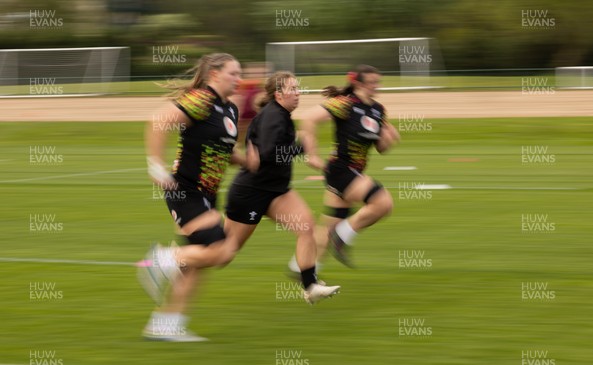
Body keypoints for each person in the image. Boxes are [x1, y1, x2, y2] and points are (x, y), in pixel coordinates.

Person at [138, 52, 245, 342]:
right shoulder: (201, 100)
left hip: (208, 194)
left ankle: (166, 324)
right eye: (233, 73)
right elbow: (159, 120)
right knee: (220, 251)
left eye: (240, 73)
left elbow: (223, 149)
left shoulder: (230, 109)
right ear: (214, 75)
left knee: (196, 264)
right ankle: (158, 259)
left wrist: (246, 161)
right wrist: (155, 165)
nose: (239, 78)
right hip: (185, 190)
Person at [224, 71, 340, 304]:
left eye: (298, 88)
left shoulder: (281, 115)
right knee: (224, 252)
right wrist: (301, 146)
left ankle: (310, 285)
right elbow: (268, 154)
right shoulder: (273, 116)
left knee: (305, 225)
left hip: (276, 191)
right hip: (251, 193)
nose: (298, 93)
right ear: (278, 94)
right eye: (293, 89)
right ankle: (172, 260)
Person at [288, 64, 400, 275]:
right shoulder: (346, 104)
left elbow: (381, 148)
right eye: (372, 83)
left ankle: (303, 270)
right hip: (341, 170)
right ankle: (342, 235)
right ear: (357, 83)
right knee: (383, 203)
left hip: (353, 171)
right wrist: (312, 153)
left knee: (327, 227)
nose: (376, 86)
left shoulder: (378, 110)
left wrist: (388, 139)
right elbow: (309, 118)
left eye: (378, 82)